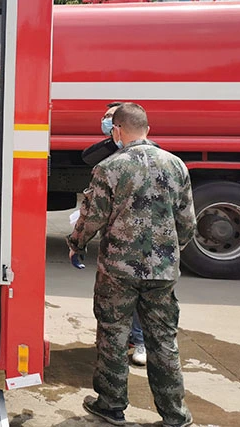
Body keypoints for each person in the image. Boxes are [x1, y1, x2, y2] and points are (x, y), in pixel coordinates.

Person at [67, 103, 195, 427]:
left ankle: (110, 406)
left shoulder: (109, 167)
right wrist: (169, 252)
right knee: (163, 340)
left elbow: (92, 217)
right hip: (162, 272)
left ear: (117, 131)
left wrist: (76, 245)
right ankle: (175, 415)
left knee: (113, 335)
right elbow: (188, 223)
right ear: (147, 130)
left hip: (118, 271)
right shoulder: (176, 165)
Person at [81, 102, 147, 367]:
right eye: (104, 118)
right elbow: (86, 156)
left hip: (141, 245)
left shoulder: (152, 159)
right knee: (118, 304)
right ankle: (124, 344)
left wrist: (77, 241)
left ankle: (138, 342)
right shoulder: (108, 156)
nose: (106, 122)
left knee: (136, 298)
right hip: (118, 244)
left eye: (111, 119)